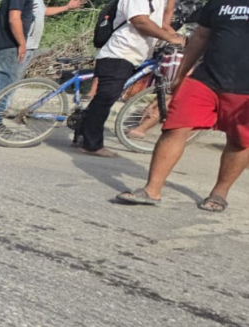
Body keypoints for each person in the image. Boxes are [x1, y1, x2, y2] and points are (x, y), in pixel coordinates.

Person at [116, 0, 249, 212]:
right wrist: (182, 73)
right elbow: (201, 36)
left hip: (245, 89)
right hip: (205, 80)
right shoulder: (218, 2)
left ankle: (219, 193)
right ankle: (152, 190)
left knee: (240, 141)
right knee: (174, 127)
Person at [74, 0, 184, 157]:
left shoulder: (157, 2)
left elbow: (160, 24)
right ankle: (91, 145)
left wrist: (179, 37)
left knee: (103, 99)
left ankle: (81, 135)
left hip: (130, 56)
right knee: (105, 99)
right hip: (119, 54)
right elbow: (140, 21)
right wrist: (169, 38)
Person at [0, 0, 36, 127]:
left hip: (1, 44)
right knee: (6, 85)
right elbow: (14, 18)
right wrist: (22, 43)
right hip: (9, 45)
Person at [26, 0, 87, 65]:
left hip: (31, 44)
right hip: (22, 43)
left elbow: (43, 11)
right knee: (17, 72)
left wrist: (67, 7)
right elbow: (15, 16)